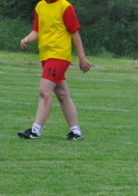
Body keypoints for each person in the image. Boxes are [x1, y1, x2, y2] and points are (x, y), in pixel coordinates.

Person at [17, 0, 90, 141]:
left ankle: (35, 131)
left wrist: (82, 57)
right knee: (62, 94)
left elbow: (75, 33)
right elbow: (37, 30)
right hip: (46, 56)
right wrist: (26, 39)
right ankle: (76, 132)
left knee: (44, 91)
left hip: (59, 56)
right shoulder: (40, 6)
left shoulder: (65, 7)